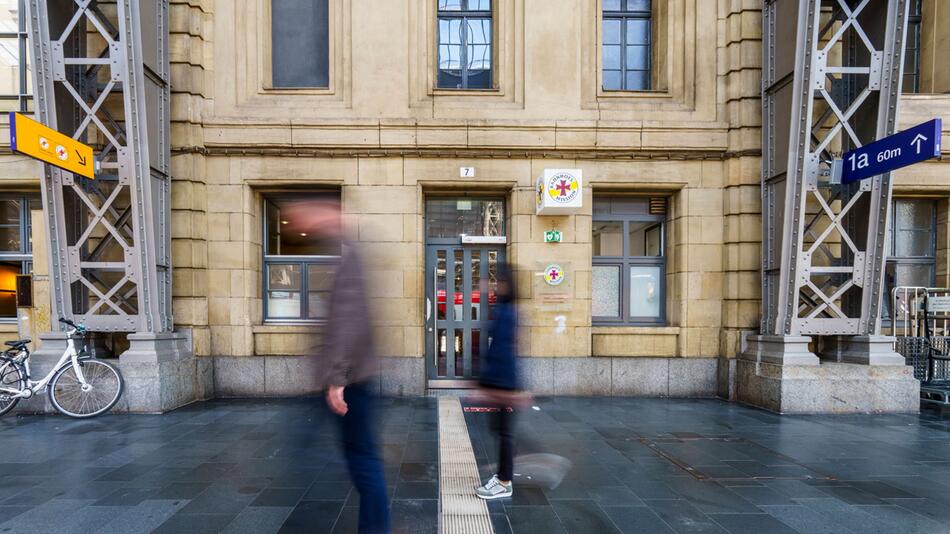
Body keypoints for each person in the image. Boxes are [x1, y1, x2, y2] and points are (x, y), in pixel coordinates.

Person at [313, 201, 390, 534]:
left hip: (353, 381)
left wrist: (338, 379)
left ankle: (376, 528)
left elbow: (348, 320)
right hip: (356, 378)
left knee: (363, 460)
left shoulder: (348, 258)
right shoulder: (348, 257)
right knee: (362, 458)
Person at [474, 263, 523, 500]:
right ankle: (503, 476)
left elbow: (503, 351)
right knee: (500, 430)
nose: (494, 285)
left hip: (504, 382)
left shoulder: (508, 311)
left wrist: (490, 386)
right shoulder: (506, 309)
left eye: (498, 281)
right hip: (503, 381)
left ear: (507, 284)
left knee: (504, 432)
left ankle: (504, 482)